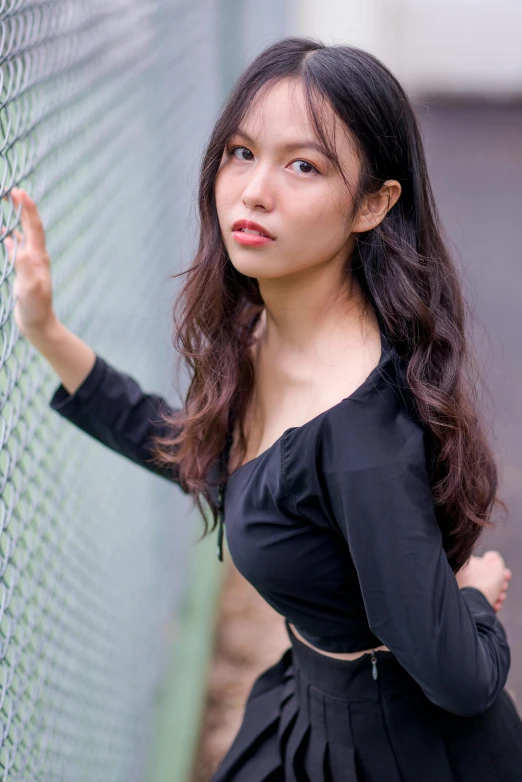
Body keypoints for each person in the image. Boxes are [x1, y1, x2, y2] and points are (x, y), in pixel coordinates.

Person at [3, 36, 521, 781]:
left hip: (398, 752)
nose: (253, 191)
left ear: (373, 205)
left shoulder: (359, 439)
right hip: (311, 709)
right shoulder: (267, 333)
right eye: (242, 152)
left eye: (302, 166)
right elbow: (204, 454)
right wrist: (47, 332)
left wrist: (471, 602)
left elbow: (463, 678)